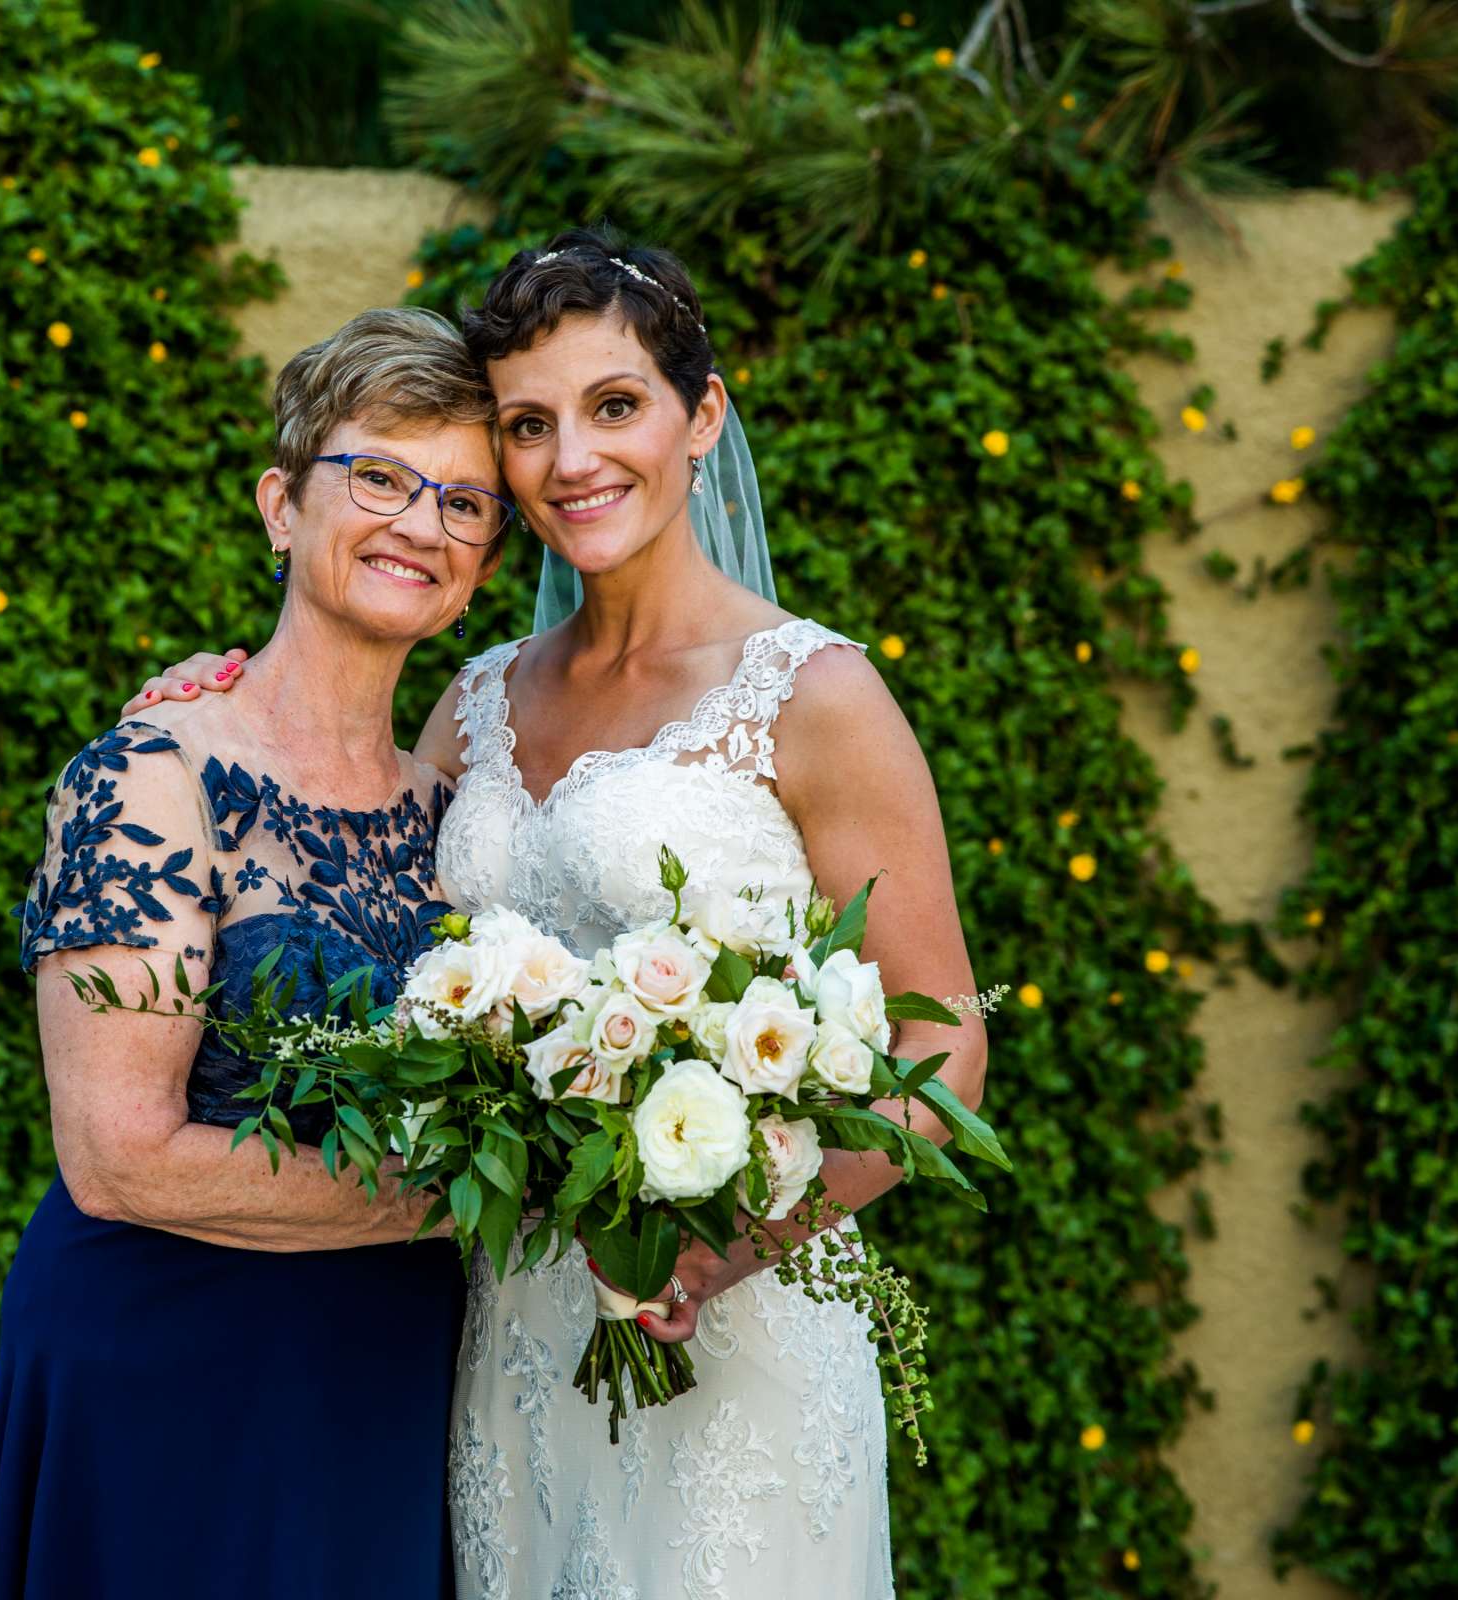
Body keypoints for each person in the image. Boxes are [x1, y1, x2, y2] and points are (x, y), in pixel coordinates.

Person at [126, 227, 988, 1599]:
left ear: (702, 415)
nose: (573, 459)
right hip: (511, 1331)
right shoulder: (475, 702)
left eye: (615, 406)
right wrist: (208, 712)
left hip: (730, 1339)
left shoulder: (819, 699)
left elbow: (943, 1057)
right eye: (529, 425)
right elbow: (340, 850)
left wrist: (717, 1254)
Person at [0, 307, 513, 1600]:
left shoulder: (461, 818)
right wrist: (494, 1199)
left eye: (467, 502)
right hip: (170, 1367)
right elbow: (117, 1155)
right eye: (378, 475)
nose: (421, 523)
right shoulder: (151, 779)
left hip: (386, 1377)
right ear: (282, 505)